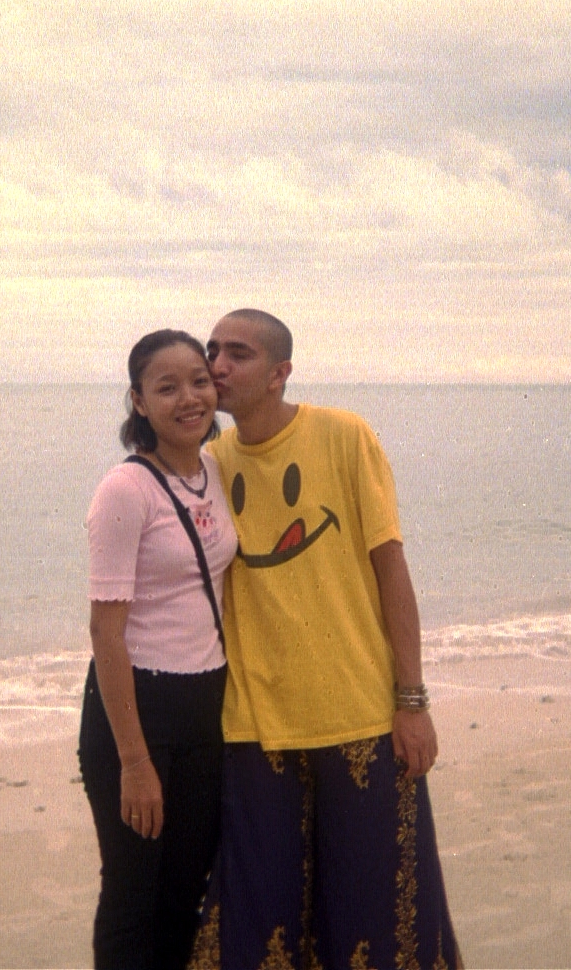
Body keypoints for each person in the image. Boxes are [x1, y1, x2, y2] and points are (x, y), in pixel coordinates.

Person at [189, 309, 461, 970]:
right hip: (254, 725)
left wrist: (412, 699)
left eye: (239, 354)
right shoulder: (209, 463)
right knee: (260, 921)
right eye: (213, 351)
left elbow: (390, 568)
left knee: (380, 914)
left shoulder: (344, 436)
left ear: (280, 373)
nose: (218, 366)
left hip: (360, 714)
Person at [79, 329, 239, 970]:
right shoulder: (126, 489)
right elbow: (105, 632)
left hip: (207, 701)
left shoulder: (216, 469)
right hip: (137, 706)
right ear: (139, 402)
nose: (189, 398)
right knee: (132, 891)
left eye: (199, 381)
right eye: (167, 387)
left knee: (185, 889)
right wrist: (135, 761)